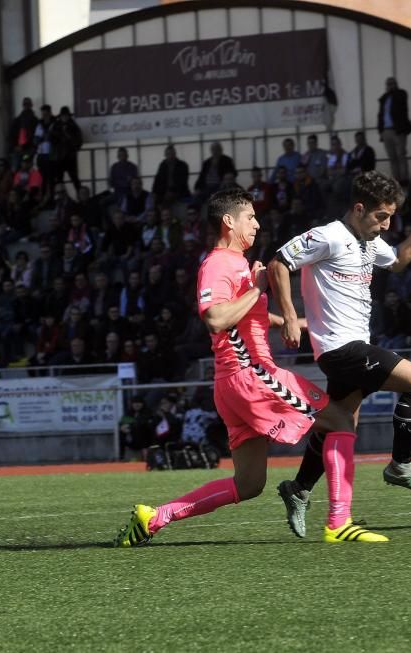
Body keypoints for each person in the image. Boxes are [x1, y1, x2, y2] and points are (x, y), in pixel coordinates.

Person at [113, 187, 388, 547]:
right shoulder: (217, 264)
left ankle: (155, 517)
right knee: (339, 420)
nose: (257, 224)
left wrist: (297, 322)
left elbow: (246, 318)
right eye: (251, 217)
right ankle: (339, 521)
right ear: (228, 221)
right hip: (251, 374)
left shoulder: (239, 265)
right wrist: (257, 289)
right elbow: (215, 318)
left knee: (249, 483)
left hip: (232, 384)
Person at [269, 171, 411, 538]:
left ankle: (298, 489)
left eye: (391, 216)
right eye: (381, 216)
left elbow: (397, 261)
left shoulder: (369, 241)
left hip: (352, 346)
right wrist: (288, 316)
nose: (386, 224)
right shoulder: (328, 236)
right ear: (359, 208)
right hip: (339, 348)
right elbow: (279, 263)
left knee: (341, 424)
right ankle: (401, 466)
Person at [377, 77, 411, 183]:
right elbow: (380, 115)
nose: (390, 86)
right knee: (392, 157)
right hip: (386, 130)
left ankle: (404, 178)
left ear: (396, 84)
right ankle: (396, 179)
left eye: (392, 84)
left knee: (401, 155)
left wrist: (393, 92)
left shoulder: (401, 94)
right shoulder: (384, 98)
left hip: (397, 130)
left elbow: (401, 108)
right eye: (388, 84)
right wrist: (381, 130)